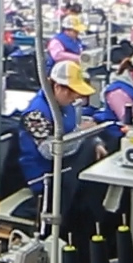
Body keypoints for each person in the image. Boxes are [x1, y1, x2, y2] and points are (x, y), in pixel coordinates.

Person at [15, 61, 97, 195]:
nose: (76, 97)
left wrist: (95, 142)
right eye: (72, 92)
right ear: (58, 87)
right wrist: (81, 134)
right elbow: (49, 151)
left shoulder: (66, 104)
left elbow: (77, 125)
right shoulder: (36, 114)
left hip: (66, 166)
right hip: (45, 177)